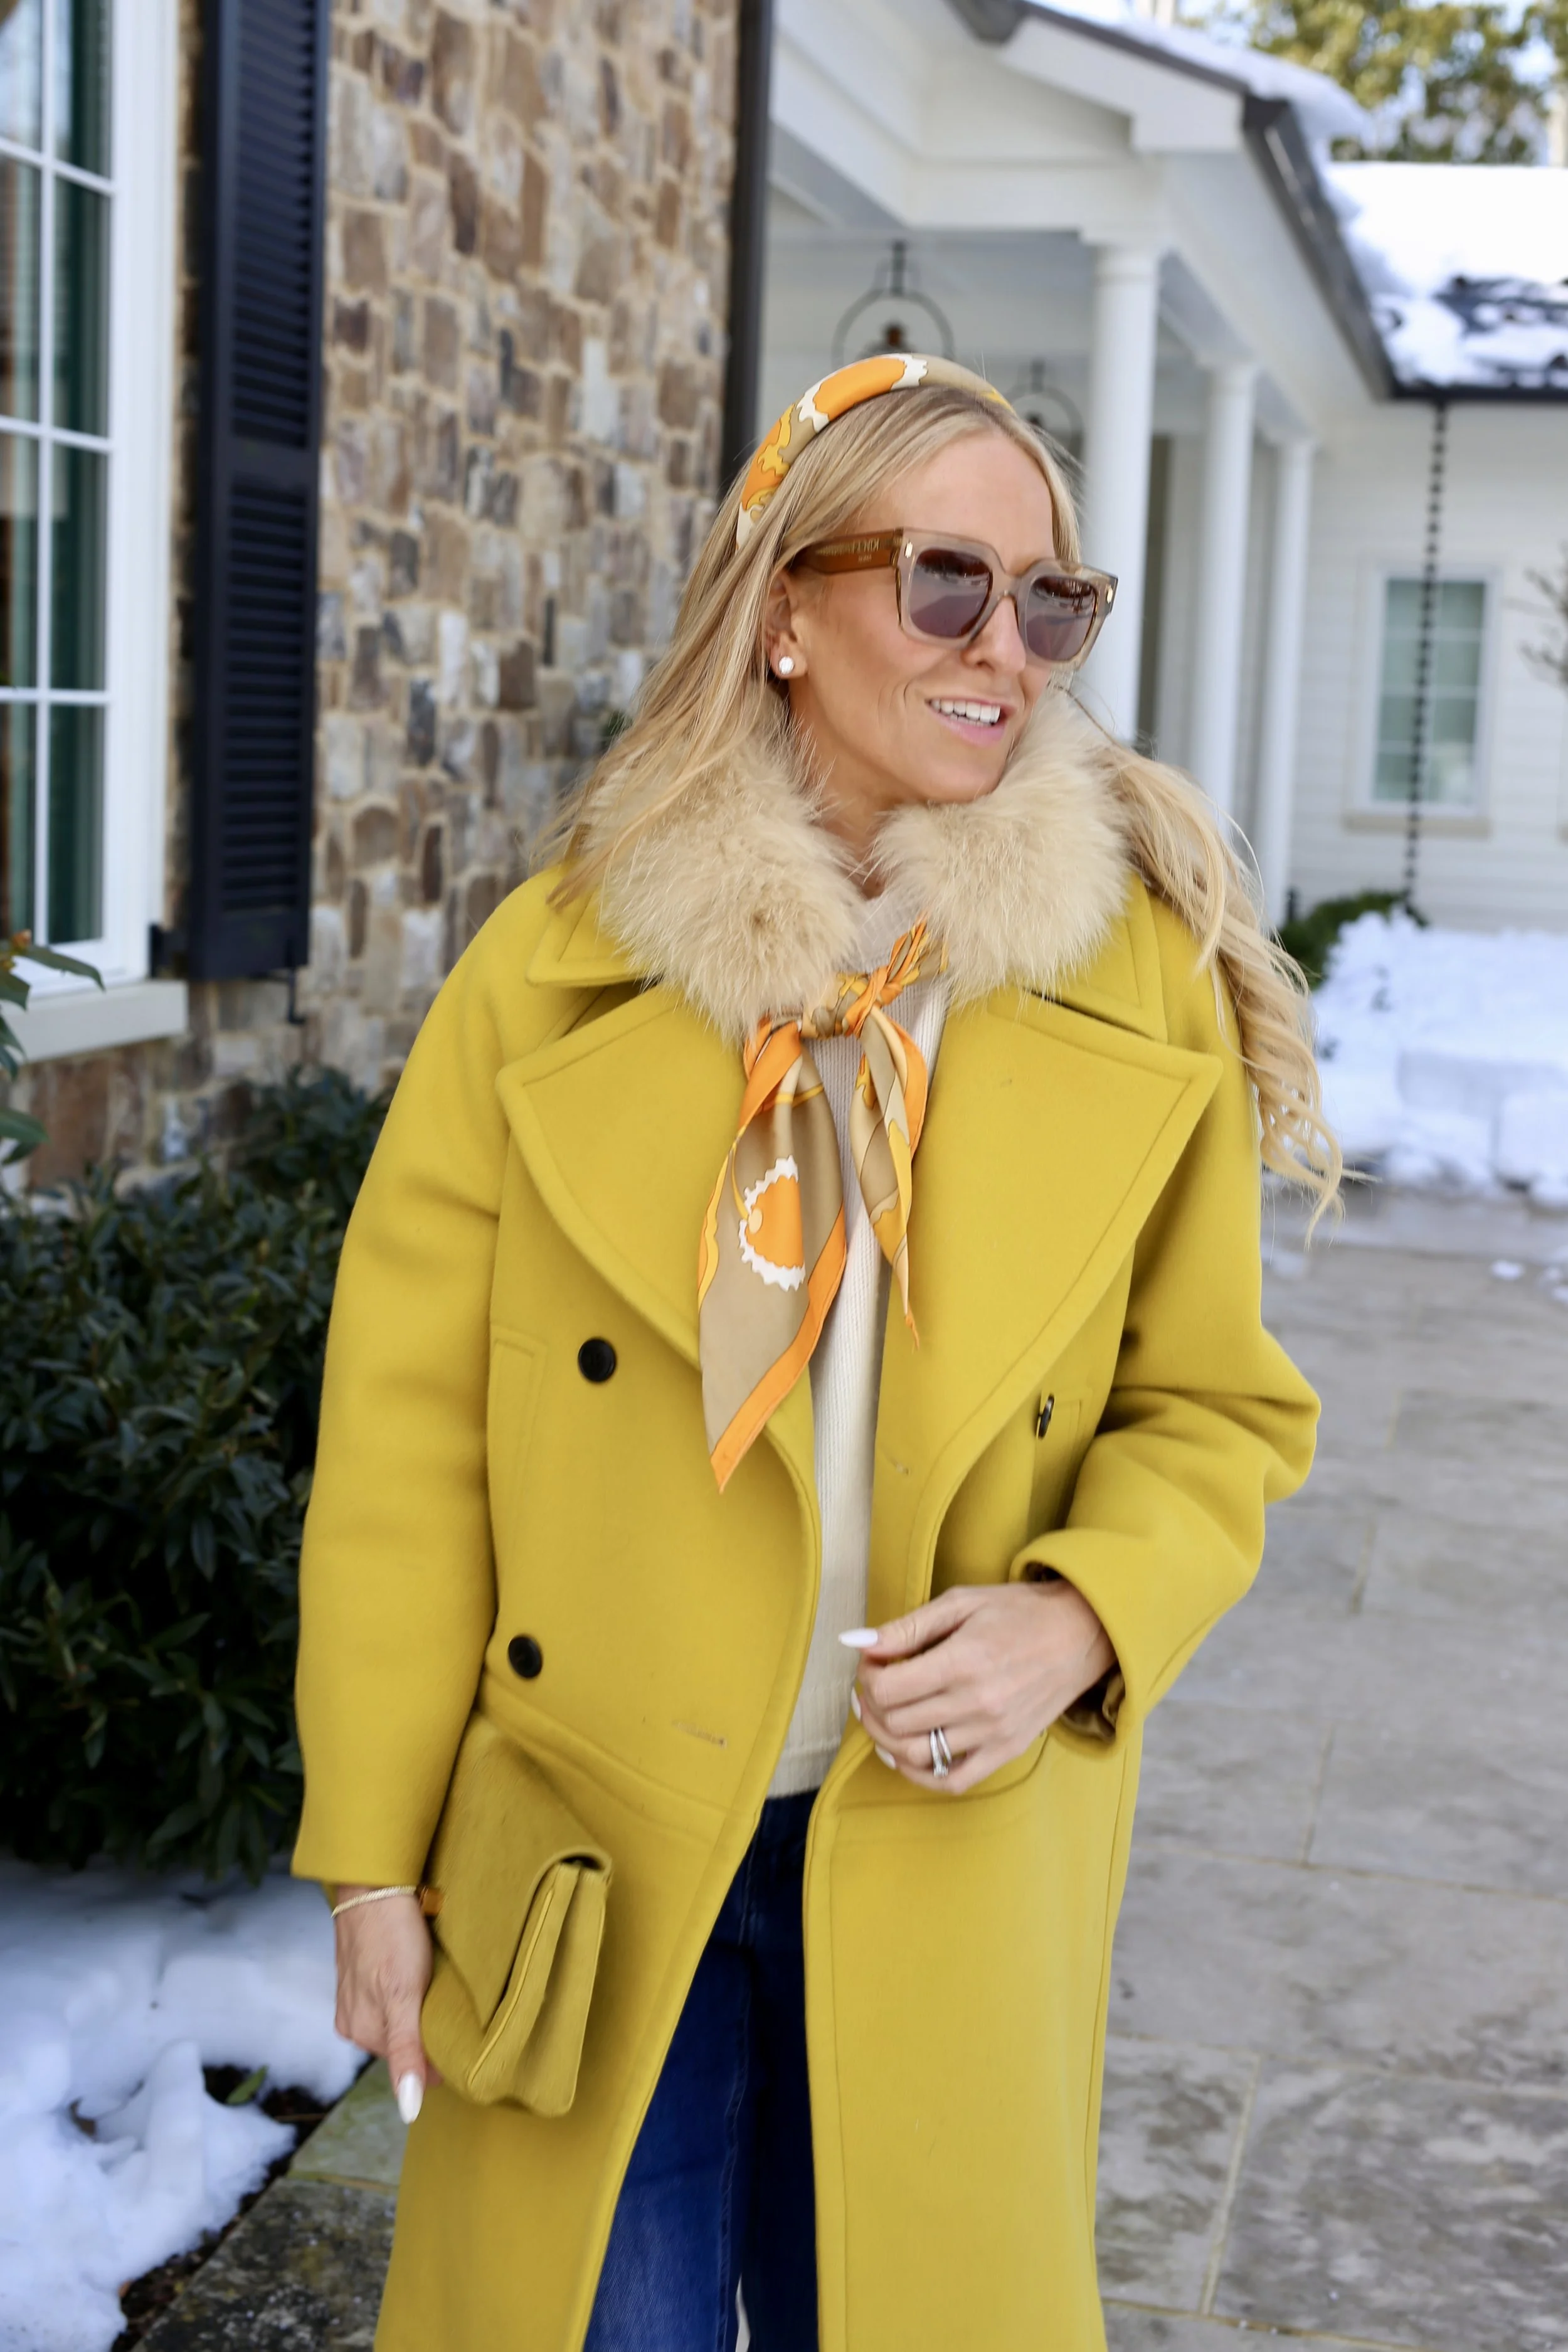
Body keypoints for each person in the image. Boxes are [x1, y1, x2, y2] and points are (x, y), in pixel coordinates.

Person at [293, 356, 1335, 2352]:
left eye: (1050, 601)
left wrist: (1079, 1618)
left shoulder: (1135, 982)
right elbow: (407, 1449)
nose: (1004, 650)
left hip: (946, 1837)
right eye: (946, 582)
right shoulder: (556, 974)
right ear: (783, 603)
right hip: (590, 1858)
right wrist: (366, 1860)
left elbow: (1214, 1410)